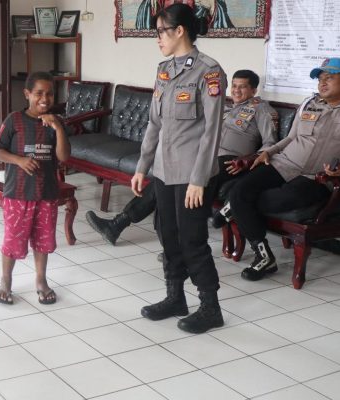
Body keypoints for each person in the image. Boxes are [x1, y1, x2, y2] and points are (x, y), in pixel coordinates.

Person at [87, 69, 278, 246]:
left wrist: (249, 160)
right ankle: (119, 224)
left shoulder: (262, 110)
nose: (236, 90)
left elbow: (271, 144)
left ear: (254, 90)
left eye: (242, 87)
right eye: (234, 86)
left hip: (230, 161)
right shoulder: (225, 108)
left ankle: (133, 230)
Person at [131, 3, 227, 334]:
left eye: (161, 31)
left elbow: (212, 131)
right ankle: (175, 297)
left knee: (192, 240)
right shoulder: (164, 70)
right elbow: (154, 123)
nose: (158, 38)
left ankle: (210, 307)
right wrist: (142, 166)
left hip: (191, 174)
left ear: (180, 31)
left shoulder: (209, 72)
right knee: (168, 237)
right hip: (163, 170)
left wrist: (199, 179)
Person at [224, 57, 340, 281]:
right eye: (320, 79)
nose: (322, 83)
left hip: (315, 178)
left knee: (265, 200)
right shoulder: (309, 103)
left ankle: (232, 209)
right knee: (240, 191)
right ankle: (264, 255)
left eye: (330, 78)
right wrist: (268, 152)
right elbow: (291, 137)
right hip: (284, 163)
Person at [0, 72, 70, 305]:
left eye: (49, 94)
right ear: (27, 94)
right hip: (18, 193)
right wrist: (19, 160)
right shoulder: (14, 120)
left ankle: (41, 280)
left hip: (46, 193)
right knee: (13, 239)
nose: (44, 99)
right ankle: (6, 280)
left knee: (43, 240)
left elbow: (64, 156)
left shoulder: (56, 122)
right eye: (38, 93)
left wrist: (58, 127)